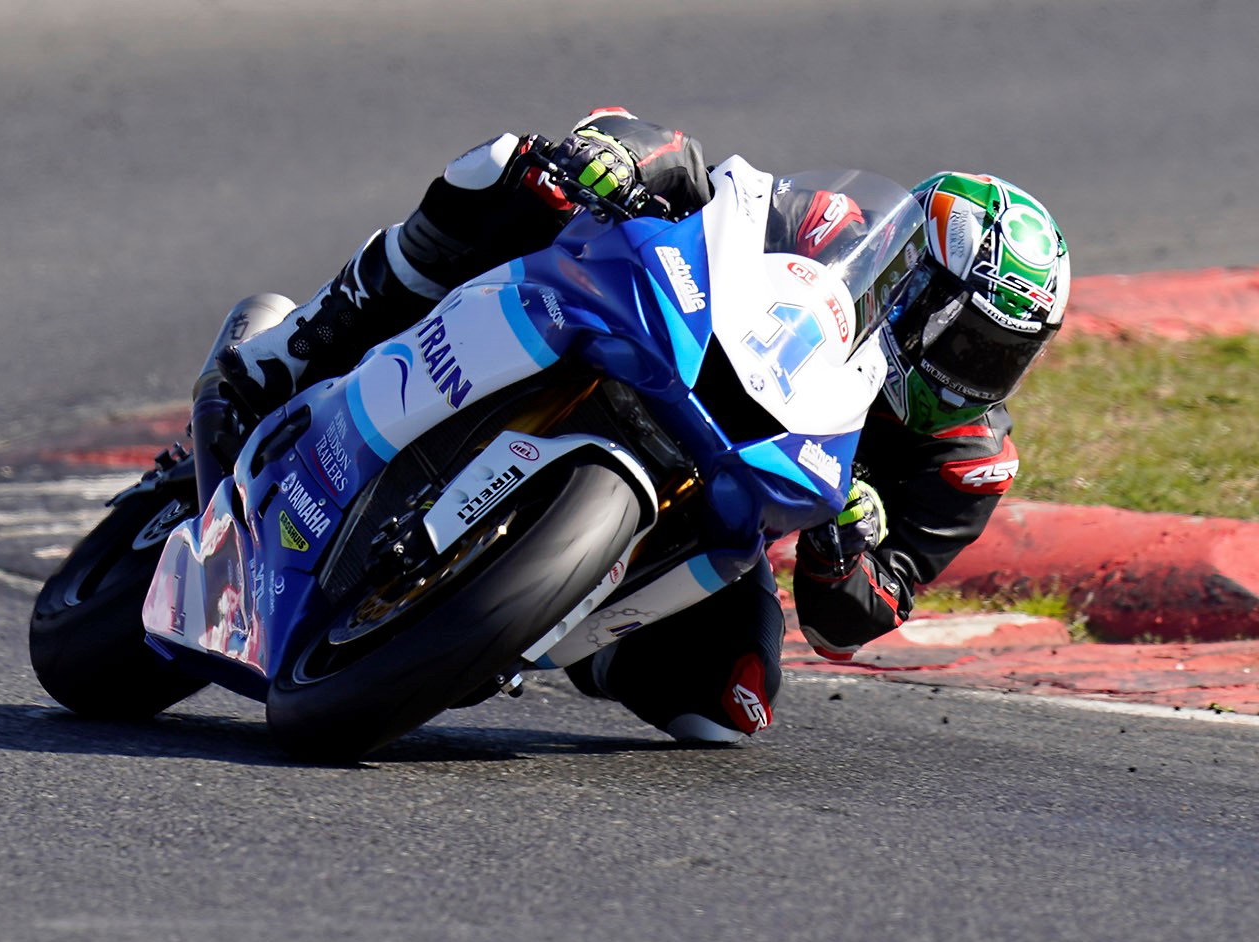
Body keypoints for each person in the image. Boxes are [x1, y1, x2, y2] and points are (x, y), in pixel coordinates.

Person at [209, 109, 1071, 744]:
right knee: (512, 171)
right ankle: (299, 345)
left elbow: (851, 619)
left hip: (718, 507)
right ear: (915, 279)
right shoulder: (833, 229)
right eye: (969, 340)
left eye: (1005, 357)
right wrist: (623, 156)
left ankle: (530, 618)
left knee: (731, 702)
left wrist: (842, 548)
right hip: (668, 345)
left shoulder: (966, 462)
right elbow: (714, 182)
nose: (975, 373)